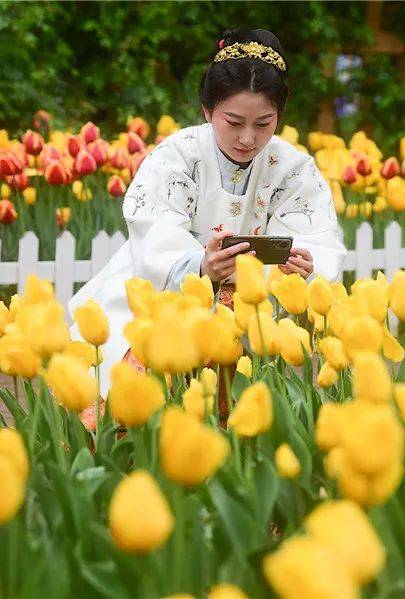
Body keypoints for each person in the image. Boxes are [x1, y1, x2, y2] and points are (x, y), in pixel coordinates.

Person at [67, 27, 345, 423]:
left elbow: (316, 237)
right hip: (163, 290)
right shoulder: (178, 156)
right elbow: (154, 231)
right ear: (207, 110)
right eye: (233, 121)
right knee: (133, 401)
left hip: (253, 306)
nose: (248, 139)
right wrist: (200, 268)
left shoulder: (293, 167)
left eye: (264, 123)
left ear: (279, 117)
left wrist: (300, 266)